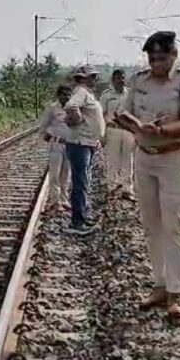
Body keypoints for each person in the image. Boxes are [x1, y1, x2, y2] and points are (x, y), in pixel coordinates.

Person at [116, 30, 180, 321]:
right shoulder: (139, 80)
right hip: (145, 157)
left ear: (174, 55)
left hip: (175, 158)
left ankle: (177, 293)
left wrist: (160, 130)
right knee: (152, 225)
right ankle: (160, 285)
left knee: (175, 225)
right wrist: (135, 125)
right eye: (152, 57)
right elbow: (122, 112)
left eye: (162, 57)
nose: (156, 63)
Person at [63, 64, 105, 235]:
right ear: (83, 78)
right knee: (80, 182)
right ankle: (77, 222)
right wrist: (78, 119)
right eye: (92, 76)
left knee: (83, 181)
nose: (95, 79)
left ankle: (81, 217)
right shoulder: (81, 91)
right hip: (80, 143)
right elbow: (70, 106)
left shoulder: (85, 92)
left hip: (86, 143)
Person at [100, 69, 136, 201]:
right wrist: (103, 133)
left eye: (123, 78)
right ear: (113, 80)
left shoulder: (130, 94)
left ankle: (128, 189)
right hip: (113, 130)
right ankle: (112, 187)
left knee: (128, 161)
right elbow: (101, 114)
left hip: (128, 131)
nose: (121, 80)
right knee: (113, 160)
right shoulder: (106, 95)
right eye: (118, 78)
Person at [39, 84, 72, 212]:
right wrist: (48, 137)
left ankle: (64, 199)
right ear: (59, 95)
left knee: (66, 173)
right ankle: (55, 201)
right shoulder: (52, 108)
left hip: (69, 144)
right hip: (57, 144)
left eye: (69, 95)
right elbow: (44, 125)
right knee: (55, 173)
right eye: (64, 94)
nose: (67, 97)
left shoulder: (73, 108)